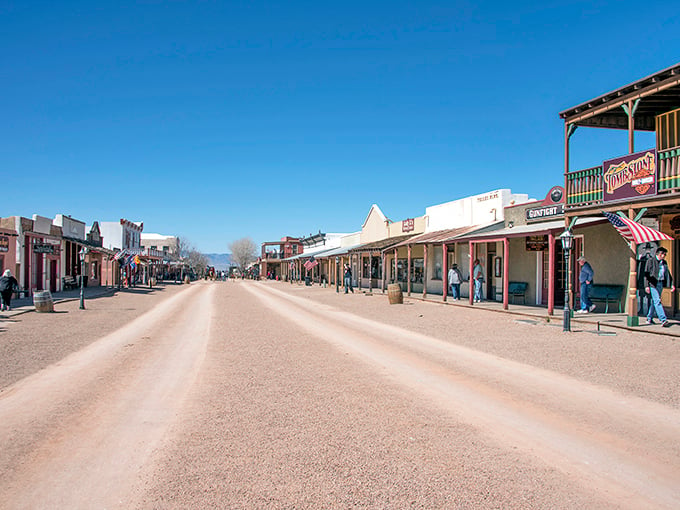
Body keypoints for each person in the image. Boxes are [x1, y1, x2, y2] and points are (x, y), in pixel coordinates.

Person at [644, 246, 675, 327]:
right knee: (657, 301)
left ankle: (649, 318)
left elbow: (667, 273)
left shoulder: (664, 263)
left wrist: (671, 284)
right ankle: (663, 319)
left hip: (660, 283)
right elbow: (646, 274)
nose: (665, 256)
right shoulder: (651, 261)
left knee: (655, 302)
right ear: (660, 254)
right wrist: (646, 285)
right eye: (664, 254)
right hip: (652, 283)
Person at [636, 244, 653, 316]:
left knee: (649, 296)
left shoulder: (651, 259)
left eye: (649, 249)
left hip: (648, 278)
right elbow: (639, 268)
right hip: (642, 278)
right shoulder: (642, 258)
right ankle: (641, 309)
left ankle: (649, 309)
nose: (648, 250)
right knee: (641, 295)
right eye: (647, 249)